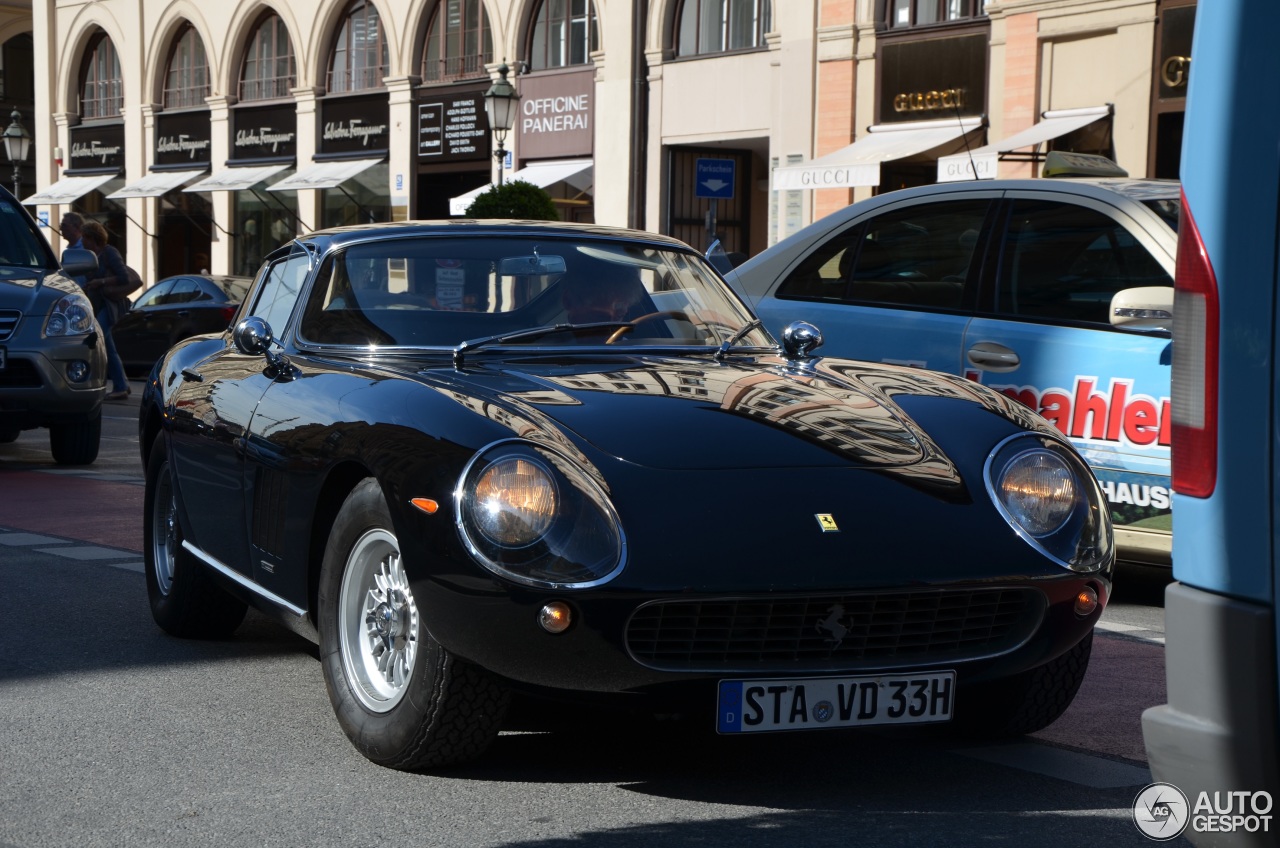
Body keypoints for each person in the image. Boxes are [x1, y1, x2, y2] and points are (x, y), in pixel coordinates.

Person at [80, 221, 132, 400]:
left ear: (92, 238)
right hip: (100, 306)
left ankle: (118, 385)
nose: (82, 242)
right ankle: (121, 385)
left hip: (110, 307)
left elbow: (124, 277)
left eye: (84, 238)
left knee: (98, 341)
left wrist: (100, 282)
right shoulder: (93, 255)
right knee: (108, 347)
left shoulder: (110, 252)